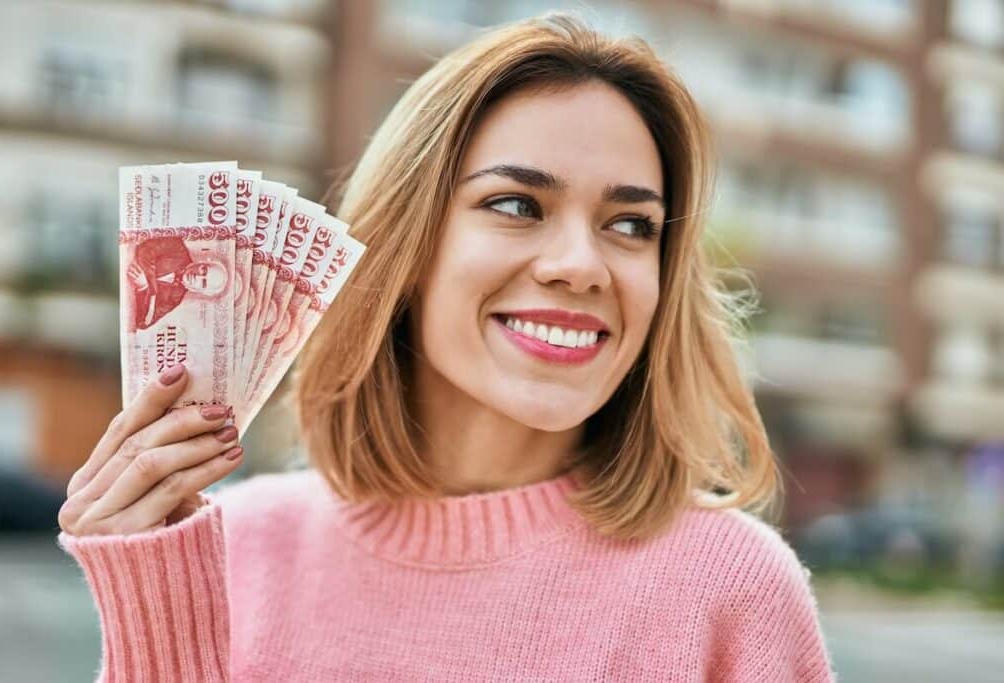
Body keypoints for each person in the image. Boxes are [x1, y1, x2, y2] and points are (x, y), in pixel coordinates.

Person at [56, 12, 836, 682]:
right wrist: (154, 622)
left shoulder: (731, 589)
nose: (580, 265)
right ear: (407, 250)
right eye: (516, 204)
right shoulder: (232, 550)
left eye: (630, 224)